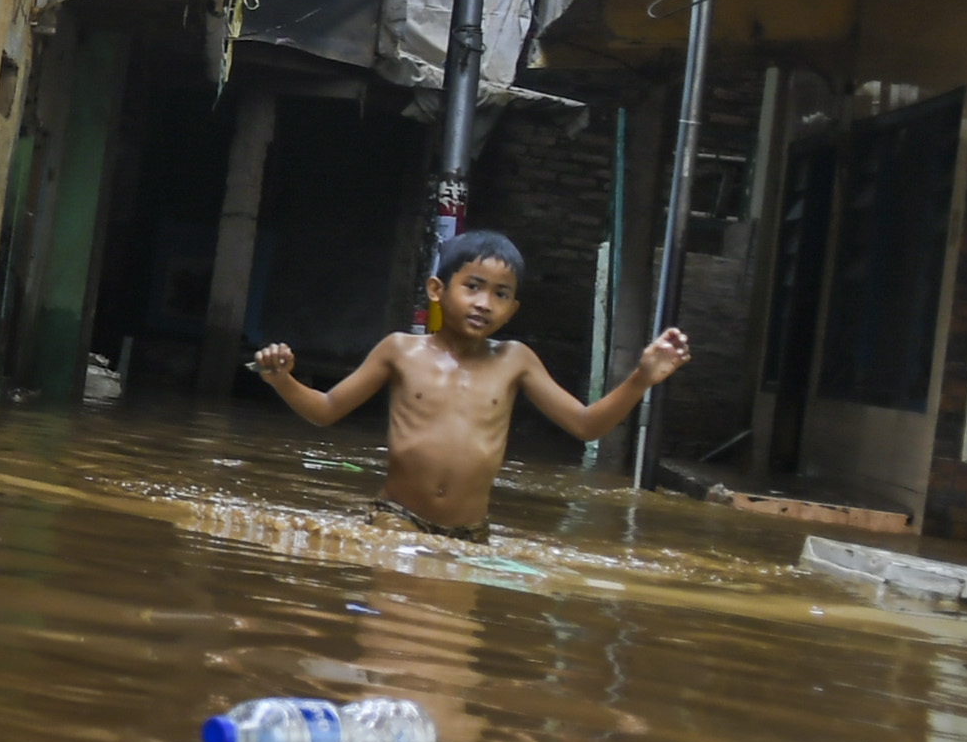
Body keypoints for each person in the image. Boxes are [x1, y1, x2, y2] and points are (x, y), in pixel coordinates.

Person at [251, 228, 690, 537]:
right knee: (392, 642)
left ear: (513, 309)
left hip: (470, 533)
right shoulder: (400, 350)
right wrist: (282, 379)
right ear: (438, 290)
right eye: (474, 286)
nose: (484, 303)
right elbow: (326, 411)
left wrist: (642, 377)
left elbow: (586, 425)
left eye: (500, 294)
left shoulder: (516, 360)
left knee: (453, 653)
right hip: (395, 518)